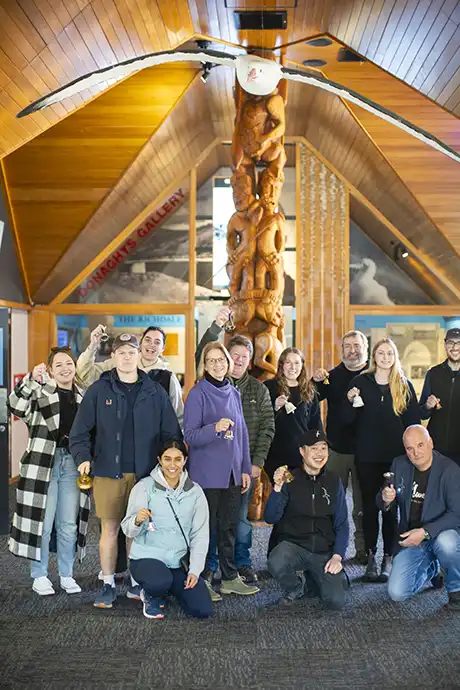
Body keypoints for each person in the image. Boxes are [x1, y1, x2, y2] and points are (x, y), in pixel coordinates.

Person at [69, 333, 182, 609]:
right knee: (109, 529)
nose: (127, 357)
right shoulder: (99, 390)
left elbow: (171, 433)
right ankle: (108, 583)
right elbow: (79, 433)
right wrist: (83, 458)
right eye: (121, 352)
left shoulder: (155, 391)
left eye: (131, 352)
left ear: (138, 354)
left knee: (137, 531)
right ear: (113, 357)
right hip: (108, 472)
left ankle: (134, 582)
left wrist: (169, 465)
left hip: (145, 476)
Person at [195, 307, 275, 584]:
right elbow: (202, 353)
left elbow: (267, 427)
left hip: (244, 467)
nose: (239, 360)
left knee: (240, 522)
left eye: (244, 357)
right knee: (214, 520)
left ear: (250, 360)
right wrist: (216, 325)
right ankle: (211, 565)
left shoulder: (257, 389)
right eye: (235, 356)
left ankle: (241, 564)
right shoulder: (211, 384)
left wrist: (255, 463)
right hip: (213, 467)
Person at [7, 347, 87, 596]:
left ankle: (66, 574)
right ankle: (39, 575)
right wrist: (30, 379)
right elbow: (15, 406)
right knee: (42, 523)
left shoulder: (83, 396)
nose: (65, 368)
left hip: (72, 465)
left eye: (69, 363)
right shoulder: (40, 392)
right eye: (59, 365)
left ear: (75, 366)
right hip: (43, 465)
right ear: (51, 370)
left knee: (68, 525)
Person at [184, 341, 259, 600]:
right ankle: (202, 577)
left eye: (221, 360)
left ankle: (229, 578)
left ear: (229, 363)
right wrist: (214, 428)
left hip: (232, 474)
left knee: (228, 527)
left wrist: (245, 469)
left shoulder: (233, 392)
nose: (218, 365)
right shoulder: (198, 393)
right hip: (207, 474)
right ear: (205, 365)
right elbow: (190, 436)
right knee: (206, 529)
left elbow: (242, 435)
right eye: (212, 361)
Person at [346, 338, 420, 582]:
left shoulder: (403, 385)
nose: (385, 357)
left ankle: (389, 556)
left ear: (395, 356)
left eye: (390, 353)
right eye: (381, 352)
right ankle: (371, 557)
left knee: (390, 509)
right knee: (368, 509)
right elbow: (349, 422)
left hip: (395, 460)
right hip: (367, 457)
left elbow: (413, 424)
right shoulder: (360, 383)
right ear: (374, 356)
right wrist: (350, 401)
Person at [121, 440, 212, 620]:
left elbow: (200, 535)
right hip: (147, 559)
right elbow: (127, 530)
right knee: (159, 580)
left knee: (202, 609)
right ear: (159, 460)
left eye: (178, 459)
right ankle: (151, 593)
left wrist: (194, 570)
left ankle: (169, 589)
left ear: (185, 461)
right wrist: (137, 521)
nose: (172, 465)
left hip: (178, 562)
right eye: (167, 459)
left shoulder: (196, 492)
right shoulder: (144, 487)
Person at [378, 425, 460, 610]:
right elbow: (381, 500)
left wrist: (425, 532)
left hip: (442, 533)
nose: (416, 452)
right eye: (410, 448)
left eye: (420, 445)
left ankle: (456, 590)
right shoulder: (399, 465)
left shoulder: (450, 470)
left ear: (430, 442)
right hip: (412, 539)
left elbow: (457, 514)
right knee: (397, 593)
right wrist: (385, 498)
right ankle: (432, 569)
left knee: (448, 543)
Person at [265, 430, 349, 610]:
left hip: (323, 551)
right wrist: (277, 489)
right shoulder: (289, 479)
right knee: (276, 560)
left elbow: (342, 524)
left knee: (335, 602)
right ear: (302, 452)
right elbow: (270, 517)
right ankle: (297, 587)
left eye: (323, 448)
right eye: (314, 448)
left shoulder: (334, 481)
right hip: (295, 545)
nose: (320, 454)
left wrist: (337, 556)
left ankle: (317, 577)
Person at [312, 330, 368, 564]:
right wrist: (315, 380)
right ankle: (331, 547)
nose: (352, 349)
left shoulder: (375, 376)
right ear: (342, 349)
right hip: (336, 450)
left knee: (362, 507)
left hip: (367, 452)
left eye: (357, 345)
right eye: (347, 345)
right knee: (332, 503)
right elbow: (310, 398)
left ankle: (364, 549)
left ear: (365, 347)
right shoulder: (331, 377)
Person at [76, 324, 184, 426]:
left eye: (157, 342)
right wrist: (93, 345)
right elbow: (85, 375)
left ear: (163, 348)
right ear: (140, 343)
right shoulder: (118, 364)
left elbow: (177, 416)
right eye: (148, 340)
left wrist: (173, 443)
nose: (152, 345)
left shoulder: (167, 378)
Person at [264, 347, 323, 481]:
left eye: (296, 363)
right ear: (281, 365)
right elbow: (262, 422)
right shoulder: (269, 387)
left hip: (301, 456)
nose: (292, 367)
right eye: (288, 362)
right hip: (276, 455)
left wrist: (317, 452)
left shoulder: (309, 391)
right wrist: (275, 408)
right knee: (280, 496)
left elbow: (315, 425)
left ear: (302, 366)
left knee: (300, 497)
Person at [420, 327, 460, 466]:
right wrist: (427, 405)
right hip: (437, 450)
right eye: (450, 342)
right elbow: (422, 413)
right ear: (445, 345)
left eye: (458, 342)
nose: (455, 347)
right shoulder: (433, 373)